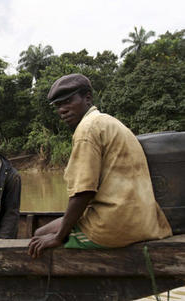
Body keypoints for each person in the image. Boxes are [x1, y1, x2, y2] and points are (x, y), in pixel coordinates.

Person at [28, 73, 172, 258]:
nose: (62, 110)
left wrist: (59, 236)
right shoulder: (110, 122)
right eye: (58, 106)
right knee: (54, 228)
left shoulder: (86, 130)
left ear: (87, 97)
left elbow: (83, 192)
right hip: (147, 222)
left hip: (113, 226)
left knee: (39, 235)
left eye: (68, 101)